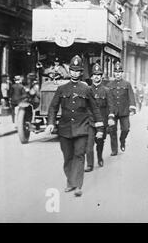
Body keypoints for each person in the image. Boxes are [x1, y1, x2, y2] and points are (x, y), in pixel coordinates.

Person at [46, 55, 104, 197]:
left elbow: (95, 109)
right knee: (68, 157)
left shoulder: (86, 89)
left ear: (81, 72)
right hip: (65, 129)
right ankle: (70, 182)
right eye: (73, 70)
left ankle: (77, 185)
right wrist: (51, 123)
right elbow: (53, 107)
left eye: (78, 71)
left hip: (82, 128)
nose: (75, 73)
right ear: (69, 71)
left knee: (79, 155)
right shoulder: (61, 89)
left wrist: (100, 128)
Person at [85, 64, 115, 172]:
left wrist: (111, 117)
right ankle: (89, 164)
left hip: (102, 122)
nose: (96, 77)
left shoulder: (106, 90)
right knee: (89, 144)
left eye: (98, 75)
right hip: (90, 121)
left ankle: (99, 157)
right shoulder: (87, 90)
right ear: (91, 77)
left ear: (101, 76)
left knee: (100, 142)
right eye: (94, 75)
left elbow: (111, 105)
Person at [108, 63, 137, 155]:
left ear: (122, 73)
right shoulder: (109, 85)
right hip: (113, 111)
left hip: (124, 111)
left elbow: (131, 96)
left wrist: (132, 108)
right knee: (112, 131)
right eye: (116, 72)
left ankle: (122, 140)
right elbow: (108, 99)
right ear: (114, 74)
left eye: (119, 72)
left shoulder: (127, 84)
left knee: (126, 129)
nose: (118, 74)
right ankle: (114, 150)